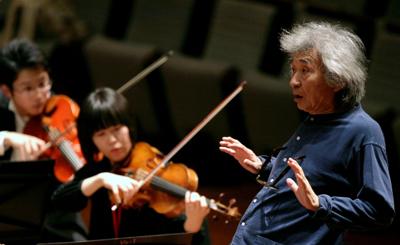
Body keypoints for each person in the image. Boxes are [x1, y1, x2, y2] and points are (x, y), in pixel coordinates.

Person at [219, 22, 395, 244]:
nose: (293, 81)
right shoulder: (314, 118)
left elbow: (380, 211)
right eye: (293, 70)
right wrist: (263, 166)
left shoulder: (364, 132)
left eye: (305, 70)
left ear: (338, 79)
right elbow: (311, 177)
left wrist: (321, 204)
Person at [52, 87, 211, 244]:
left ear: (129, 127)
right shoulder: (98, 169)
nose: (112, 140)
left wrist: (193, 224)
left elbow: (175, 235)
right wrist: (101, 179)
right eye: (101, 134)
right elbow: (59, 201)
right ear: (91, 139)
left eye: (116, 129)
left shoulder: (152, 166)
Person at [0, 38, 88, 242]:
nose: (40, 95)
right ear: (7, 91)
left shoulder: (60, 110)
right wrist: (6, 138)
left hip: (58, 220)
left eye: (43, 83)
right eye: (28, 88)